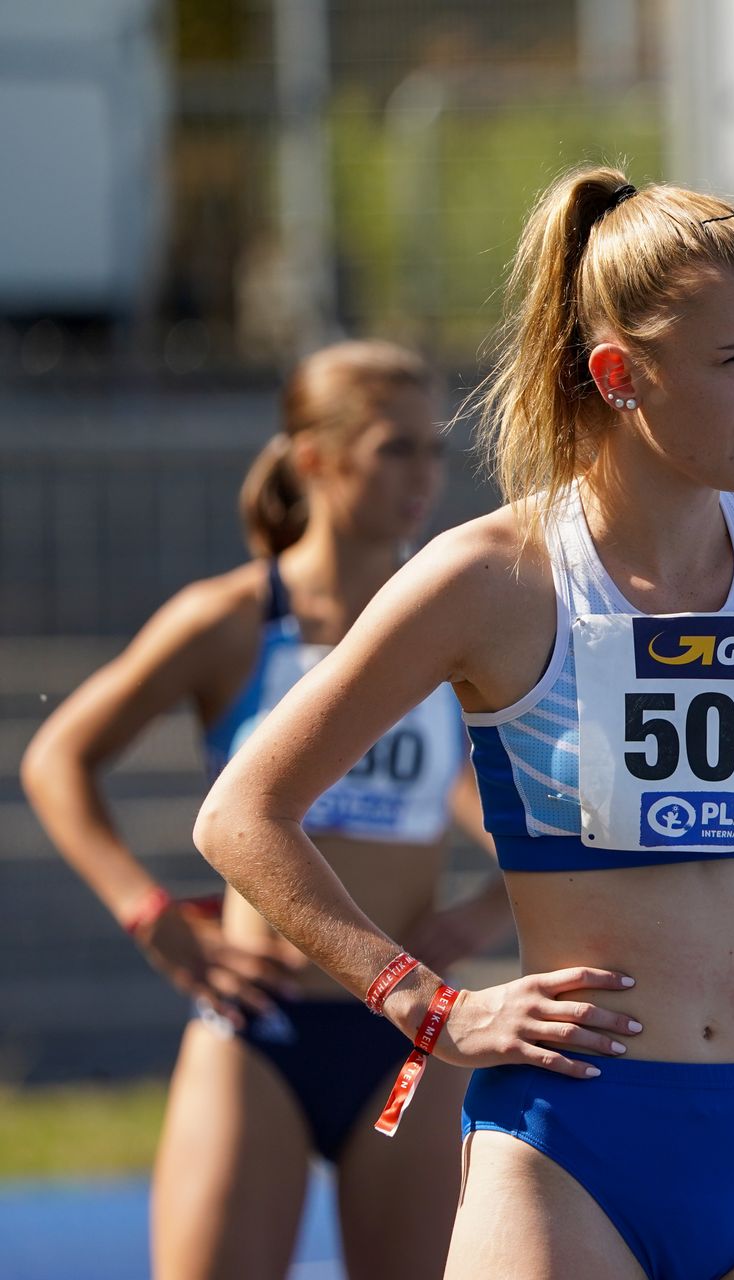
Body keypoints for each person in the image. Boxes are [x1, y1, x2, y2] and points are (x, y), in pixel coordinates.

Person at [193, 170, 734, 1280]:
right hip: (571, 1145)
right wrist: (423, 1002)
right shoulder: (491, 578)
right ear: (619, 374)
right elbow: (243, 813)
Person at [20, 339, 515, 1280]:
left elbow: (523, 812)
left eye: (432, 449)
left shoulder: (455, 622)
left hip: (406, 1031)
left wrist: (488, 909)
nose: (423, 477)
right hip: (261, 1026)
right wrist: (147, 912)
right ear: (313, 458)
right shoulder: (232, 619)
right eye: (392, 449)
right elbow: (58, 759)